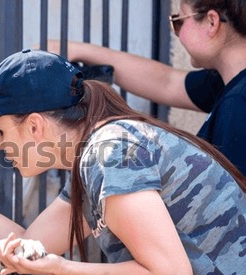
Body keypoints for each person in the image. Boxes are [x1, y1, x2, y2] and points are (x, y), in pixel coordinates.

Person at [0, 48, 246, 275]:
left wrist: (60, 268)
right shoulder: (97, 154)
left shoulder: (109, 153)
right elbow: (28, 244)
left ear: (35, 126)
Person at [46, 0, 246, 176]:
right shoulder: (228, 83)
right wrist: (78, 50)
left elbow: (234, 204)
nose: (177, 34)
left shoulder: (237, 103)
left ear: (212, 22)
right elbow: (167, 82)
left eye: (178, 21)